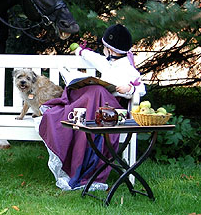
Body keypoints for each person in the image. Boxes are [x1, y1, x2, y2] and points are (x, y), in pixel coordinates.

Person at [39, 24, 146, 190]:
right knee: (94, 90)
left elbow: (141, 88)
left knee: (96, 91)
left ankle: (84, 164)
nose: (103, 50)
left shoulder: (128, 69)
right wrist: (80, 51)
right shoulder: (107, 62)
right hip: (97, 107)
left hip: (113, 112)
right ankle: (73, 113)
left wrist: (129, 89)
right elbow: (94, 58)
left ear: (110, 50)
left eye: (104, 47)